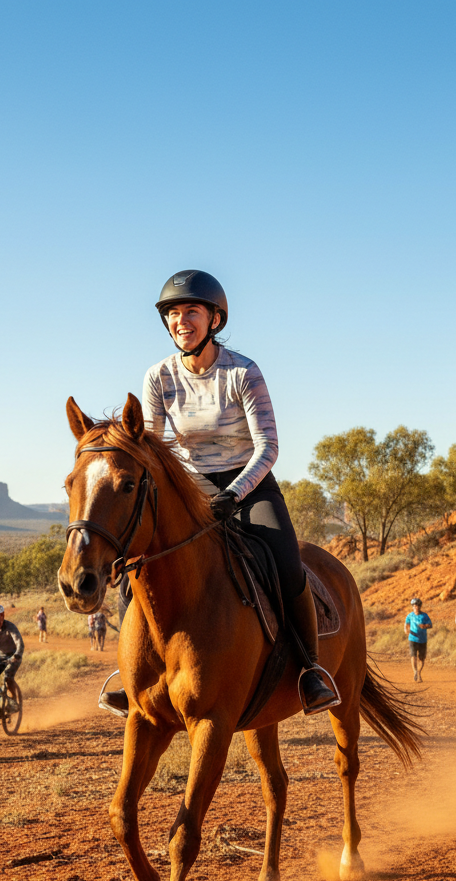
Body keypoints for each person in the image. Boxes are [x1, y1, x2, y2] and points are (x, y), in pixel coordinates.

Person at [100, 269, 339, 718]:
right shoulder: (158, 376)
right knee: (136, 563)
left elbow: (268, 444)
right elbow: (151, 446)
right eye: (173, 313)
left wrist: (235, 492)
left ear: (214, 318)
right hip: (188, 486)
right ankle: (131, 676)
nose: (180, 320)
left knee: (286, 564)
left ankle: (310, 672)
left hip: (249, 483)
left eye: (191, 311)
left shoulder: (242, 372)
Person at [404, 598, 432, 683]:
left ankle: (419, 672)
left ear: (420, 606)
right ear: (412, 607)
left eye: (418, 605)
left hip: (422, 639)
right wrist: (406, 630)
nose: (416, 607)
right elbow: (406, 624)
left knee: (422, 659)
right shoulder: (410, 615)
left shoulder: (424, 615)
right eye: (414, 606)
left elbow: (430, 625)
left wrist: (425, 626)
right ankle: (415, 671)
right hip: (412, 638)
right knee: (413, 656)